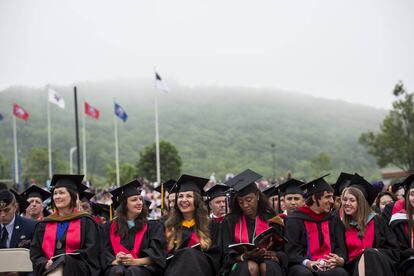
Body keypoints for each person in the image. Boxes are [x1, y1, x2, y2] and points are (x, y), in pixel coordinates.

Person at [30, 174, 101, 276]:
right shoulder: (44, 224)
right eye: (55, 193)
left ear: (72, 195)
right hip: (49, 268)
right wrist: (45, 263)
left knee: (65, 260)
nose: (57, 196)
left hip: (78, 269)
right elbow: (35, 253)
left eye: (62, 193)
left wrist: (65, 259)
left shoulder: (86, 221)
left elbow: (91, 251)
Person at [221, 169, 287, 276]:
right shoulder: (230, 221)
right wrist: (243, 257)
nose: (245, 205)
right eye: (241, 201)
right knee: (251, 266)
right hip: (241, 265)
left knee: (267, 266)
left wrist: (276, 255)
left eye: (249, 199)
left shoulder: (272, 218)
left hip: (268, 262)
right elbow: (225, 254)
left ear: (257, 195)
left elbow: (284, 249)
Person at [284, 174, 348, 276]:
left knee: (340, 273)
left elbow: (341, 247)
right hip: (302, 265)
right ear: (314, 198)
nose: (331, 201)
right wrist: (308, 263)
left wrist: (338, 259)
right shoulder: (294, 220)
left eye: (332, 197)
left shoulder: (333, 219)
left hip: (328, 265)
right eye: (327, 197)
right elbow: (291, 251)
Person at [102, 179, 166, 276]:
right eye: (134, 200)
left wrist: (135, 262)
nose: (139, 202)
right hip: (116, 269)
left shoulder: (153, 226)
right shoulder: (109, 227)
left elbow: (158, 257)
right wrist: (116, 260)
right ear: (124, 205)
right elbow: (103, 254)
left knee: (133, 271)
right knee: (116, 271)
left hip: (142, 269)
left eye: (140, 199)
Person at [341, 174, 399, 276]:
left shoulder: (378, 221)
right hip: (352, 267)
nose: (347, 203)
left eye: (352, 200)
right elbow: (342, 254)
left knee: (369, 253)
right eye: (345, 199)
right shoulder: (341, 224)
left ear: (361, 203)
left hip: (377, 265)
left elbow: (394, 251)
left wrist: (375, 251)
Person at [163, 174, 221, 276]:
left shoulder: (211, 225)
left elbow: (216, 256)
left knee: (189, 254)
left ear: (197, 200)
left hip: (201, 270)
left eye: (189, 196)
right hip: (175, 270)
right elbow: (163, 257)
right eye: (180, 196)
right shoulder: (169, 226)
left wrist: (194, 255)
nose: (184, 200)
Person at [389, 173, 414, 275]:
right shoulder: (399, 219)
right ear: (408, 196)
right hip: (409, 262)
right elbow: (396, 249)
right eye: (412, 194)